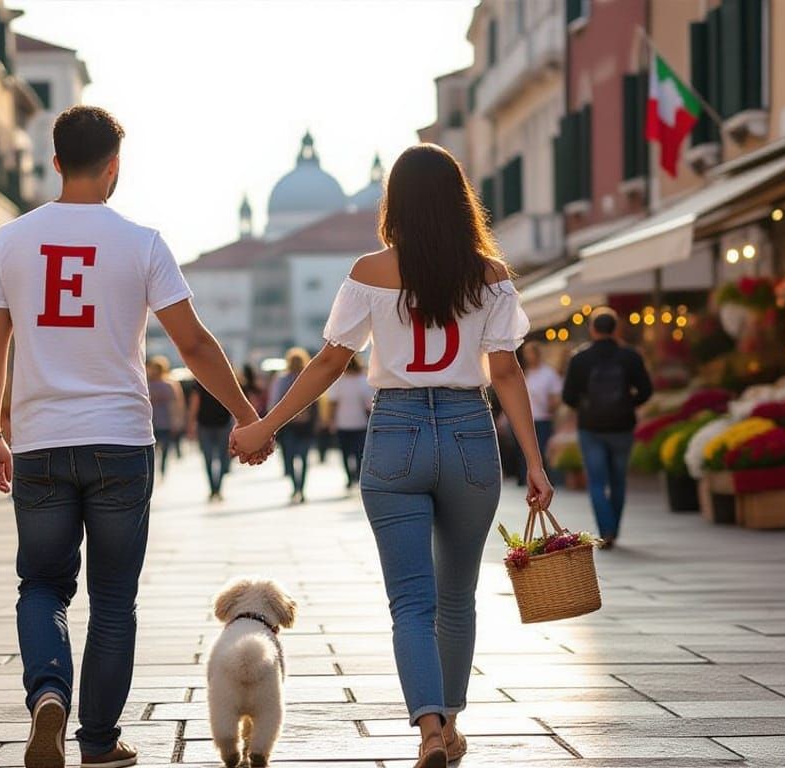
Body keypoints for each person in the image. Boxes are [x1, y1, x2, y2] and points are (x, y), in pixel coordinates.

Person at [230, 143, 553, 768]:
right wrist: (535, 464)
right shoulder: (491, 276)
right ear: (460, 201)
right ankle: (452, 724)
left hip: (397, 432)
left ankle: (428, 729)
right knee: (457, 597)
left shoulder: (370, 272)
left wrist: (264, 424)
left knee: (411, 601)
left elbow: (330, 361)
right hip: (467, 431)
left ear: (393, 202)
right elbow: (507, 372)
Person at [0, 106, 265, 768]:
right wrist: (246, 414)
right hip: (120, 443)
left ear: (54, 164)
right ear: (113, 167)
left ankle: (48, 690)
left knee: (41, 585)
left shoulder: (12, 240)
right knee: (112, 599)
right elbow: (192, 342)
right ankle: (99, 741)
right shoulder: (143, 243)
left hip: (42, 441)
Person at [561, 308, 653, 549]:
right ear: (616, 329)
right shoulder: (630, 356)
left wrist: (584, 406)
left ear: (592, 329)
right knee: (618, 480)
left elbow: (568, 396)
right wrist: (627, 404)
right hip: (622, 426)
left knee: (596, 481)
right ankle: (615, 528)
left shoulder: (579, 358)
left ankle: (606, 529)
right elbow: (646, 391)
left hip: (591, 427)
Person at [510, 343, 564, 486]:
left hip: (543, 418)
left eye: (530, 353)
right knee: (523, 451)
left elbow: (556, 396)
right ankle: (523, 479)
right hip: (524, 418)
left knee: (541, 450)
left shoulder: (549, 374)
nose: (528, 356)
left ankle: (545, 480)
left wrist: (550, 406)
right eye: (526, 353)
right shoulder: (524, 372)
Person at [269, 348, 317, 504]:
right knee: (303, 458)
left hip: (288, 425)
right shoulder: (309, 378)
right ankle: (300, 488)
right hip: (306, 426)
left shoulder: (281, 379)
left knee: (289, 457)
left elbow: (274, 402)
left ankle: (295, 487)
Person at [325, 354, 373, 490]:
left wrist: (330, 420)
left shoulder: (338, 381)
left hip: (342, 423)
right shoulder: (363, 380)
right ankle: (358, 475)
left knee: (345, 453)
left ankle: (349, 477)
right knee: (359, 452)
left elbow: (332, 403)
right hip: (361, 423)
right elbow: (369, 404)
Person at [187, 380, 233, 501]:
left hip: (221, 424)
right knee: (210, 458)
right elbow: (195, 402)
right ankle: (214, 488)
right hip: (207, 425)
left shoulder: (226, 379)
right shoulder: (199, 381)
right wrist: (191, 423)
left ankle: (217, 488)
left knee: (219, 458)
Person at [146, 356, 183, 479]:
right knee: (154, 450)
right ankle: (156, 471)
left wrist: (176, 421)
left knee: (163, 449)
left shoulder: (168, 385)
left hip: (162, 422)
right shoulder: (148, 384)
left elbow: (175, 405)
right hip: (151, 422)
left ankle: (160, 470)